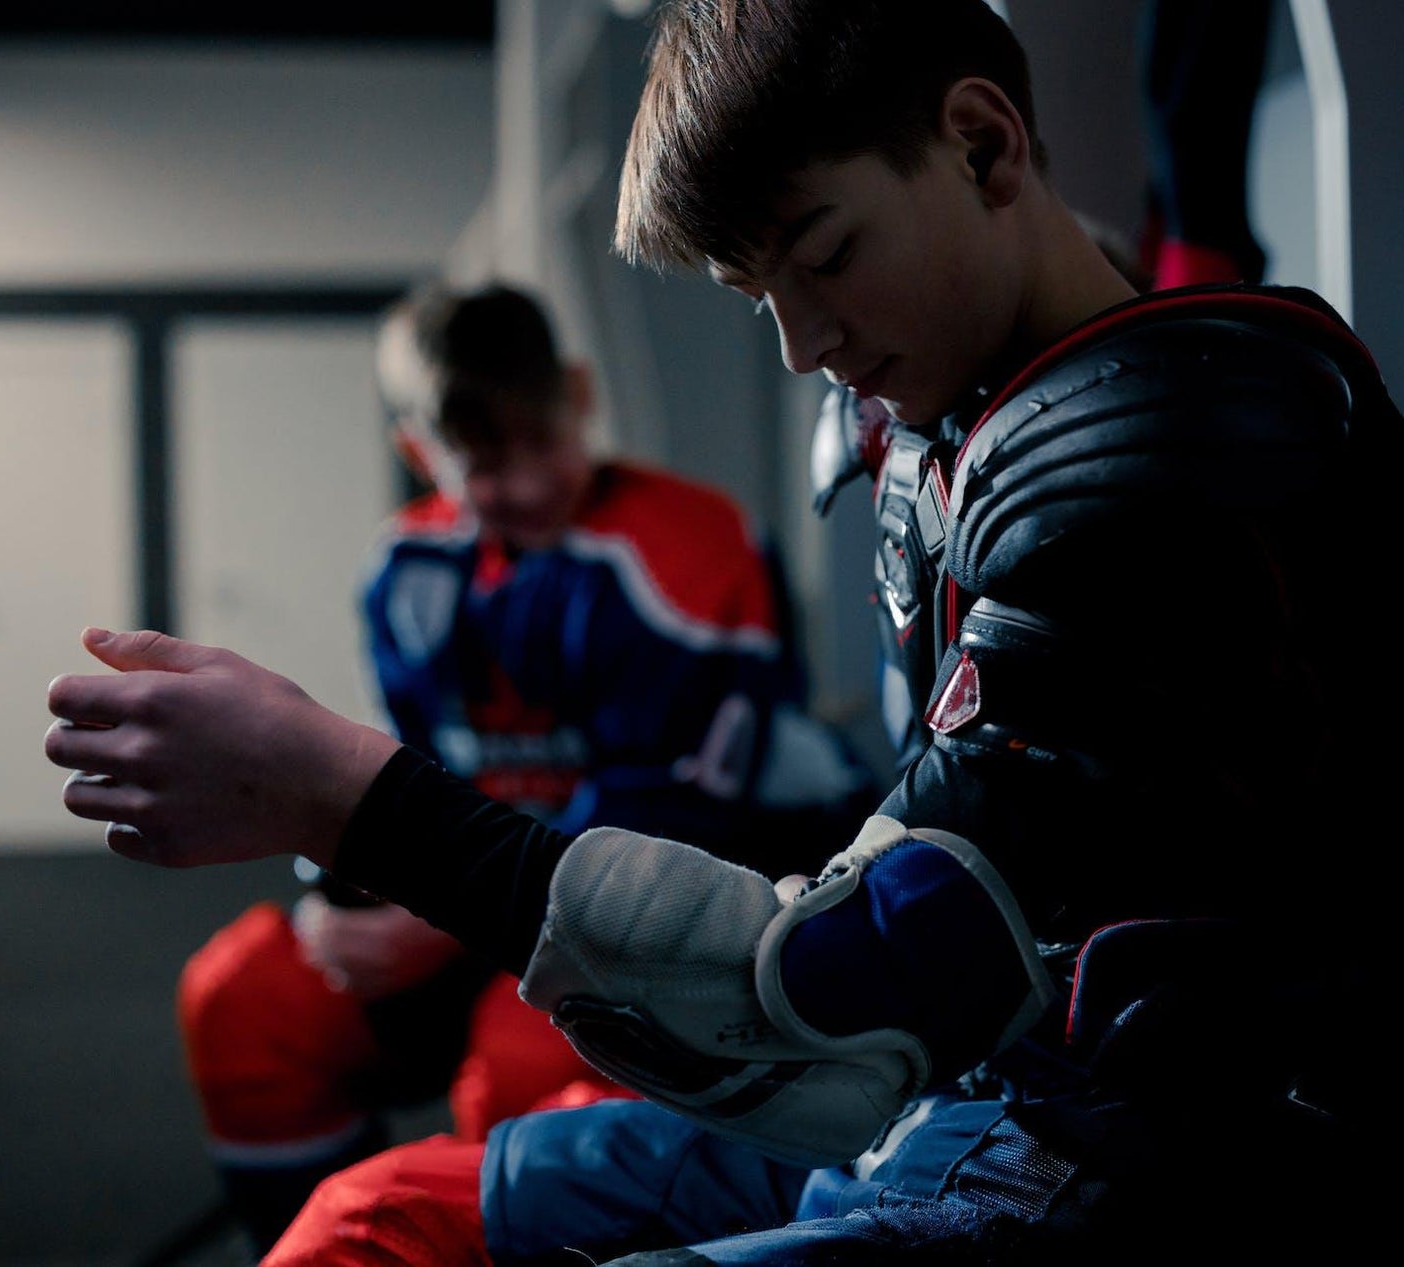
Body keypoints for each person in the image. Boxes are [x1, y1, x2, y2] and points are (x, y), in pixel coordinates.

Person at [47, 2, 1404, 1259]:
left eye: (826, 253)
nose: (802, 343)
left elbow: (843, 1003)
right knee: (377, 1215)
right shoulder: (956, 415)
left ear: (984, 148)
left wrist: (339, 796)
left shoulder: (1165, 447)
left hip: (1149, 1161)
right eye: (757, 295)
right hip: (967, 1085)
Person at [173, 280, 878, 1257]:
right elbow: (400, 771)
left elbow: (661, 837)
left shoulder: (692, 550)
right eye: (488, 464)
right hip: (474, 903)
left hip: (660, 910)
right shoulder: (402, 571)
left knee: (519, 1075)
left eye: (543, 443)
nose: (532, 484)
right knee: (247, 998)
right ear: (422, 455)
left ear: (579, 396)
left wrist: (440, 920)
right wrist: (347, 895)